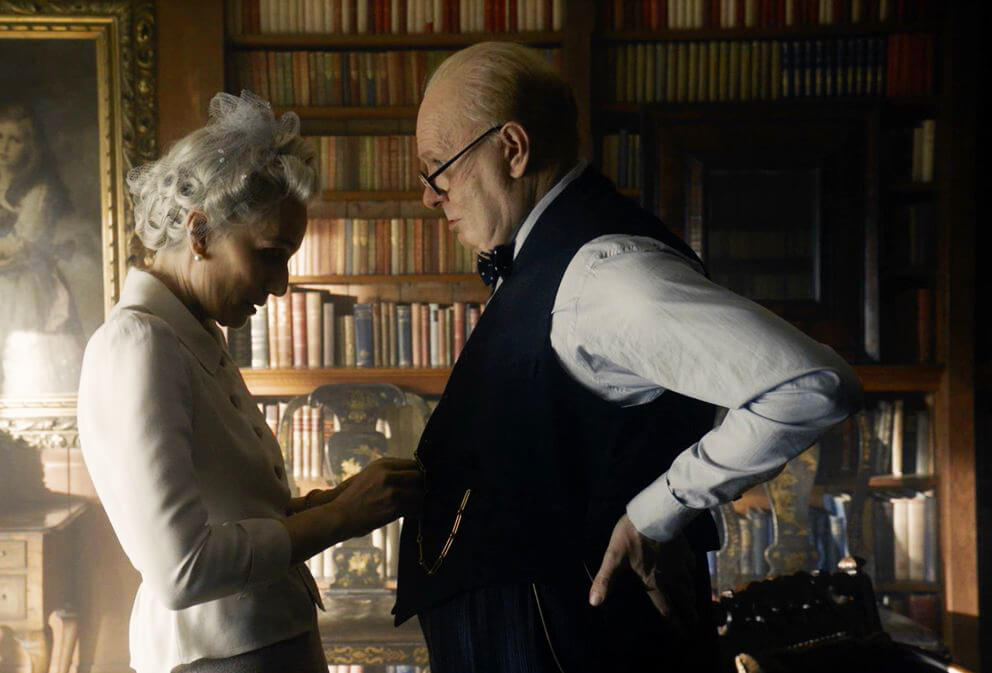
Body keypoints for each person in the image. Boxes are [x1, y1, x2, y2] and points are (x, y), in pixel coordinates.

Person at [393, 42, 863, 672]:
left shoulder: (606, 277)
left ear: (512, 148)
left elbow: (811, 384)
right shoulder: (546, 259)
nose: (430, 196)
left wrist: (654, 515)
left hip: (573, 639)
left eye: (438, 168)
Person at [77, 91, 423, 673]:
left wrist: (331, 503)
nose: (281, 284)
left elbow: (230, 510)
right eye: (269, 255)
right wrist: (340, 519)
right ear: (199, 232)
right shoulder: (139, 344)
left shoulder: (192, 334)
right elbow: (181, 570)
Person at [0, 100, 83, 395]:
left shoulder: (39, 192)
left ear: (30, 146)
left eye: (15, 140)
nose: (4, 147)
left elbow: (20, 245)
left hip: (25, 288)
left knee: (25, 361)